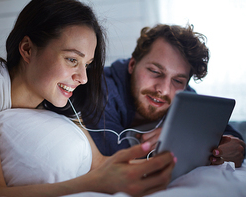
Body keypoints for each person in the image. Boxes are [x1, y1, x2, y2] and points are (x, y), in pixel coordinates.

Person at [0, 1, 177, 197]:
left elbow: (101, 165)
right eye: (71, 59)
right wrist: (91, 184)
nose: (83, 78)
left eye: (87, 64)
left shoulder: (58, 101)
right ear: (27, 49)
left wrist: (180, 160)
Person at [83, 24, 245, 168]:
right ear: (132, 65)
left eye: (177, 80)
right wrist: (177, 142)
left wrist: (229, 149)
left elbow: (232, 139)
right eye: (155, 71)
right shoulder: (100, 89)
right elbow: (120, 165)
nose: (164, 90)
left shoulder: (184, 96)